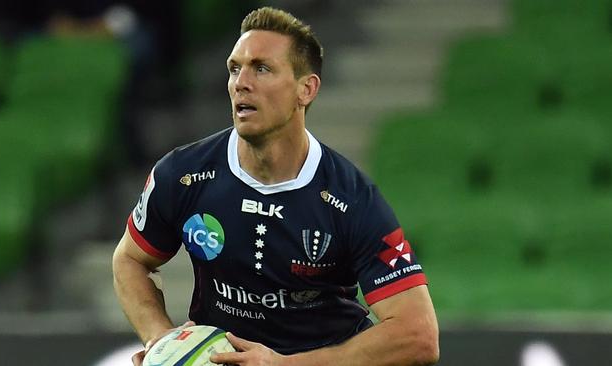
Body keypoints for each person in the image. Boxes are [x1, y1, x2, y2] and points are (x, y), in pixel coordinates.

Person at [112, 6, 439, 366]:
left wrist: (284, 365)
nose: (241, 82)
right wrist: (161, 338)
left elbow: (418, 335)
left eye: (262, 69)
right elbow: (130, 259)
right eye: (235, 68)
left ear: (306, 89)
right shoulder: (183, 173)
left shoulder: (352, 200)